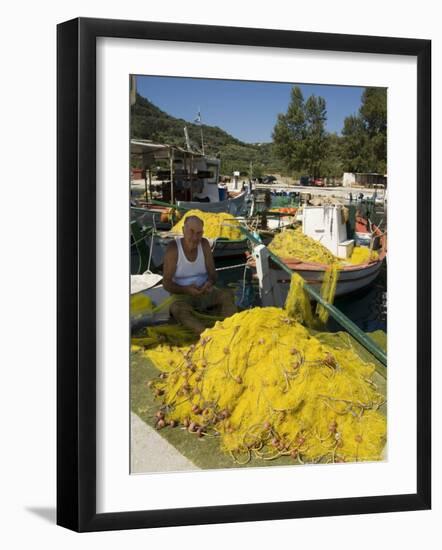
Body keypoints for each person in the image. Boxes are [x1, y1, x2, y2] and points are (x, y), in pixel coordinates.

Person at [162, 215, 236, 335]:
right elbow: (166, 284)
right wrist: (186, 290)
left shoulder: (204, 244)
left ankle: (229, 330)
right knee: (178, 310)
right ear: (183, 230)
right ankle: (206, 335)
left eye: (199, 233)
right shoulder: (173, 248)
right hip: (182, 296)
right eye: (191, 232)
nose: (195, 237)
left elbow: (213, 274)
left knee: (227, 295)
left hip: (205, 292)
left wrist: (209, 283)